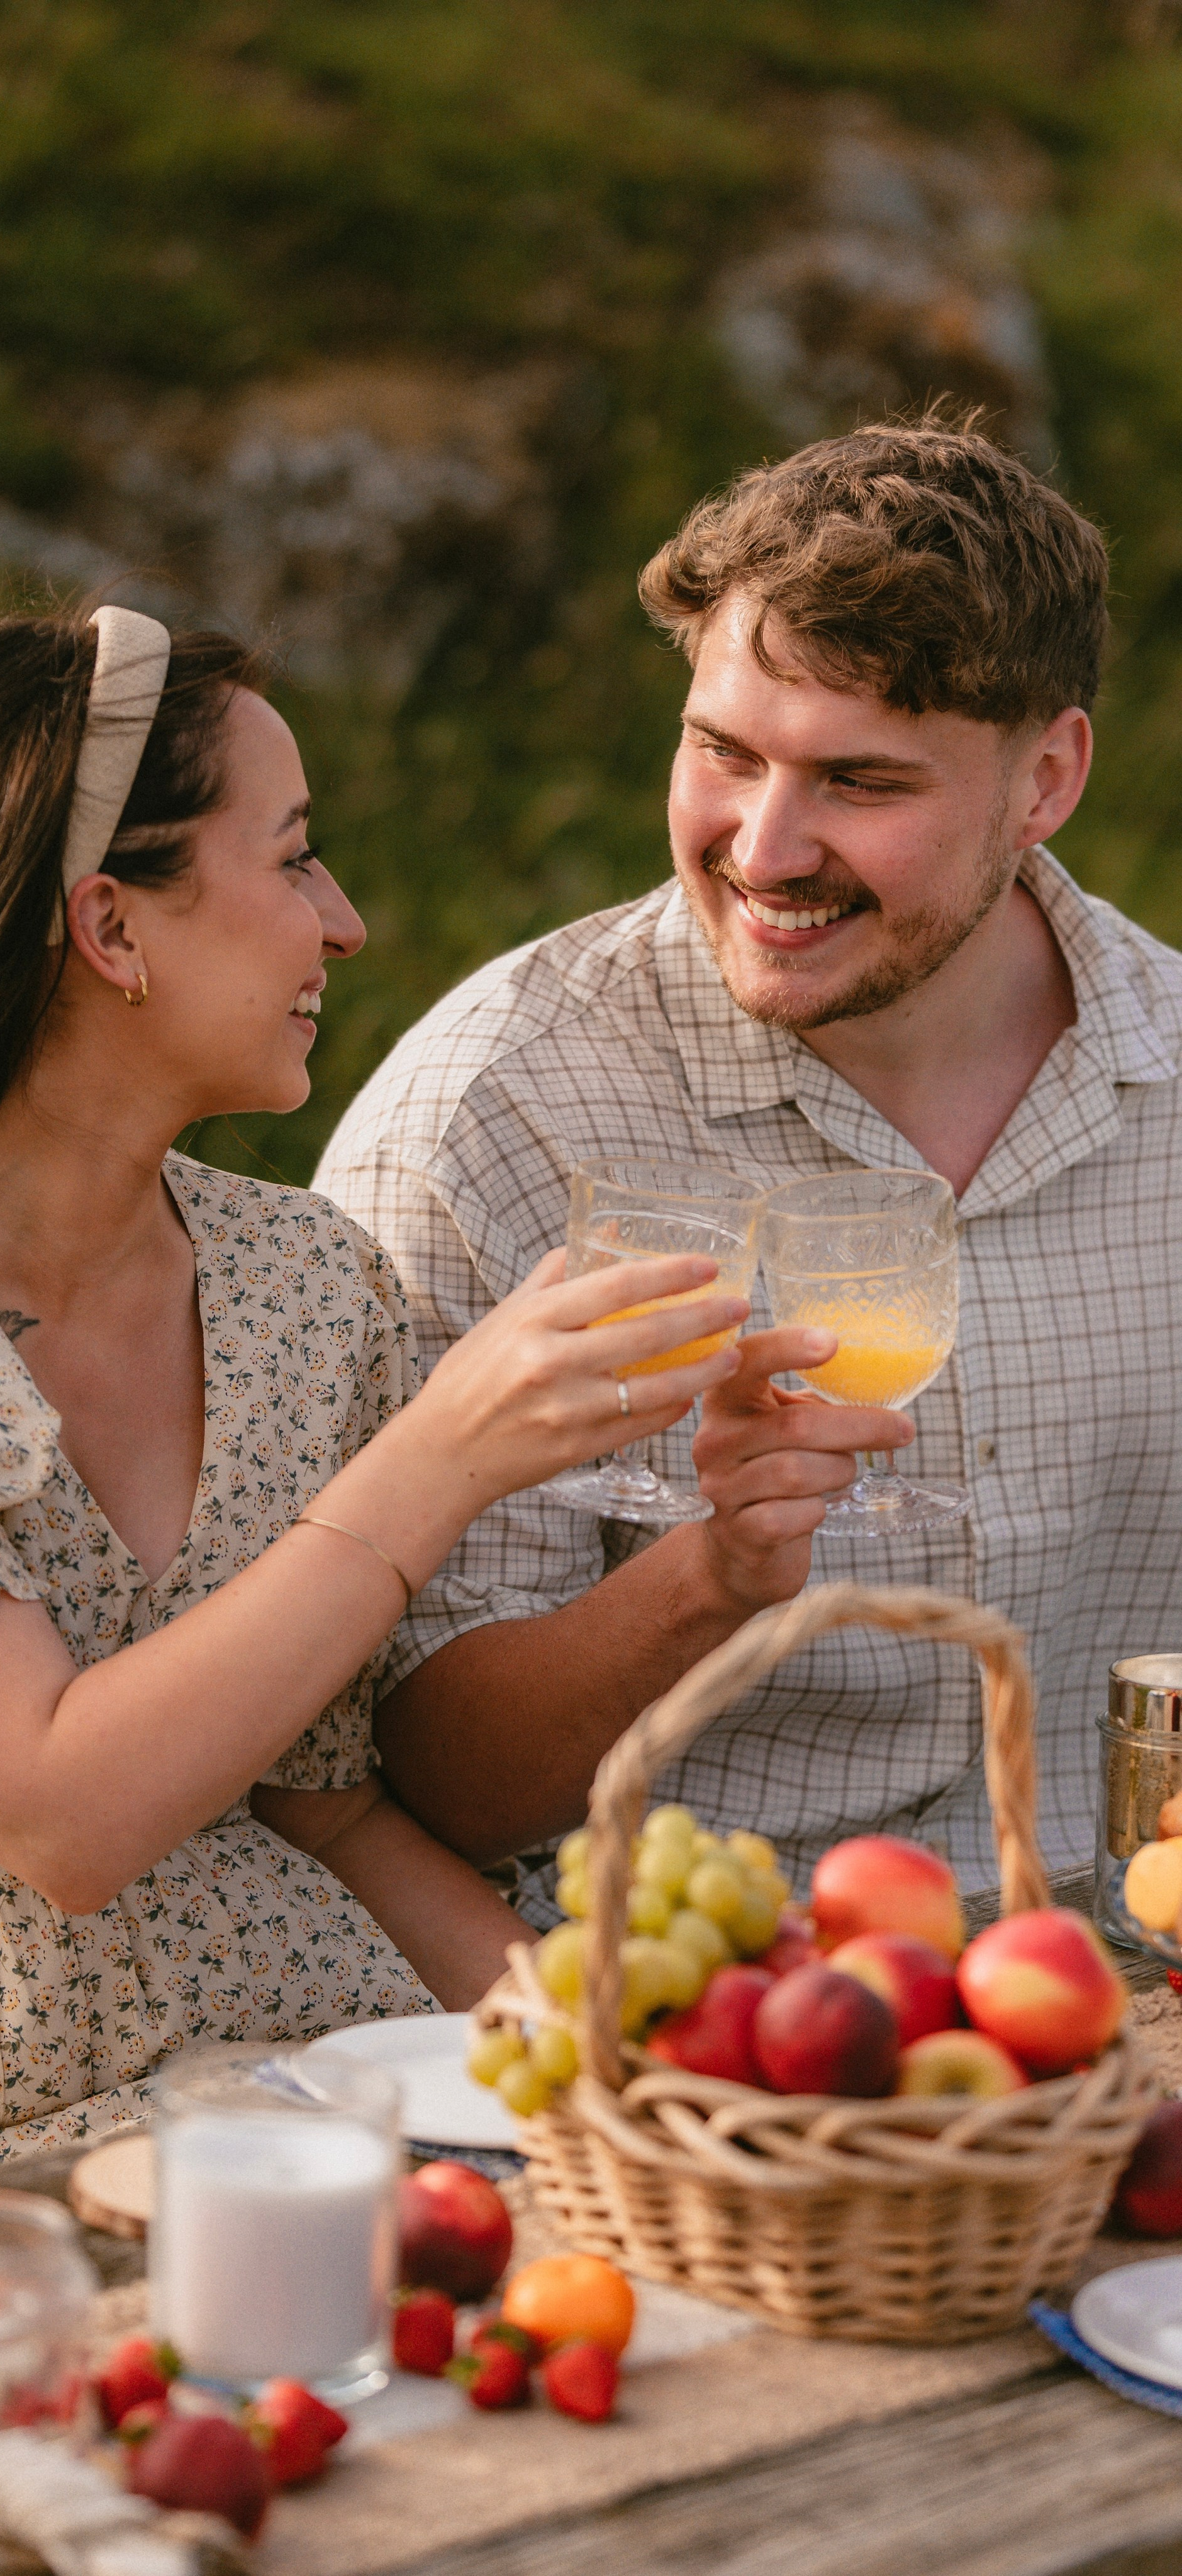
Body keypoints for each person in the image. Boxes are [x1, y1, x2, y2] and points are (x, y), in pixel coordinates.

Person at [0, 602, 816, 2231]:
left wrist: (578, 2058)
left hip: (304, 2102)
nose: (351, 924)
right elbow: (61, 1813)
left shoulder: (307, 1282)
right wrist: (439, 1457)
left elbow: (329, 1806)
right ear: (113, 927)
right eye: (296, 860)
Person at [316, 412, 1182, 1922]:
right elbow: (424, 1777)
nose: (764, 847)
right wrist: (709, 1576)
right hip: (687, 2028)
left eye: (861, 782)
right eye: (724, 752)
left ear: (1046, 780)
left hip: (1127, 1998)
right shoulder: (497, 1112)